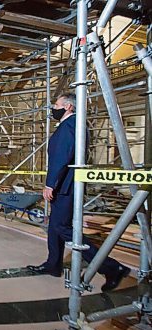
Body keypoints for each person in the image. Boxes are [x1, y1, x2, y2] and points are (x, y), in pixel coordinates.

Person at [27, 93, 130, 291]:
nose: (53, 108)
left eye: (57, 104)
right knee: (54, 226)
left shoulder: (70, 126)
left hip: (66, 185)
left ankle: (111, 267)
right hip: (66, 184)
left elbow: (61, 157)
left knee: (61, 227)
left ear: (68, 107)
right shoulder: (71, 125)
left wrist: (50, 184)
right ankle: (53, 264)